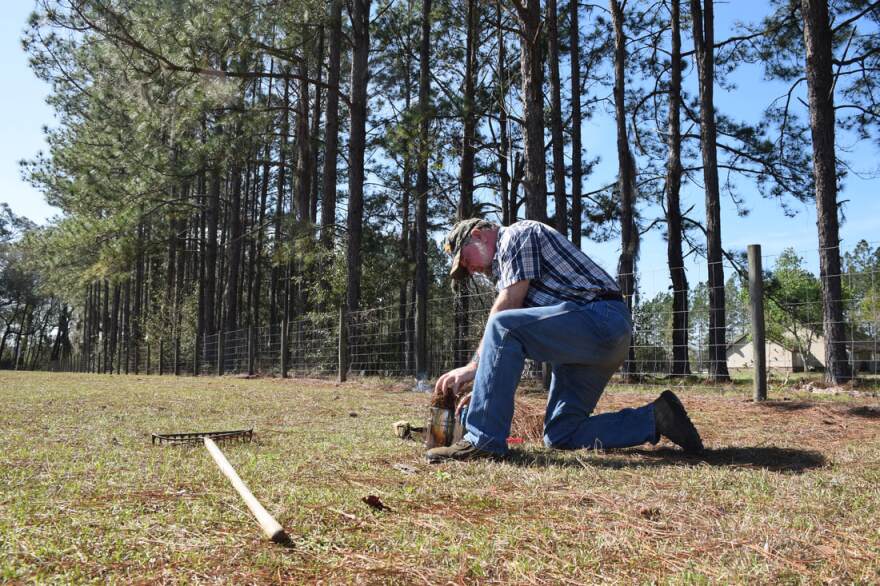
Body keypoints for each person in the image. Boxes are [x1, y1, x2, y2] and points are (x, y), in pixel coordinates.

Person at [426, 218, 703, 463]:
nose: (469, 269)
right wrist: (487, 387)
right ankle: (656, 417)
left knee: (501, 324)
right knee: (560, 434)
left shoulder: (516, 234)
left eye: (464, 258)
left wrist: (474, 368)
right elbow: (508, 350)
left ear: (478, 233)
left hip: (599, 319)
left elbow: (507, 309)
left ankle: (482, 442)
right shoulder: (509, 267)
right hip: (594, 340)